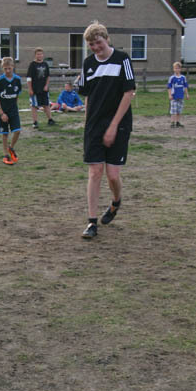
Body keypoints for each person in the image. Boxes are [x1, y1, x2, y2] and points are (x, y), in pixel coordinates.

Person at [76, 21, 136, 239]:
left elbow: (129, 93)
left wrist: (113, 126)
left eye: (98, 42)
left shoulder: (122, 60)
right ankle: (92, 222)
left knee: (112, 175)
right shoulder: (88, 64)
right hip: (94, 125)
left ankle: (116, 201)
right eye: (91, 45)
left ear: (107, 39)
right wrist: (88, 124)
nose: (95, 47)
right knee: (95, 172)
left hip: (119, 125)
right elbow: (87, 95)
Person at [0, 57, 22, 165]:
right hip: (3, 111)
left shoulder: (17, 79)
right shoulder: (0, 80)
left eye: (9, 68)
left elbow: (17, 95)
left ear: (13, 67)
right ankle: (6, 155)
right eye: (5, 69)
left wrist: (15, 107)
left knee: (17, 131)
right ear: (2, 69)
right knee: (5, 133)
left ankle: (11, 148)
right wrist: (1, 113)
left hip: (13, 109)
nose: (8, 70)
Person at [27, 47, 54, 128]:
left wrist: (46, 85)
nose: (39, 55)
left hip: (44, 89)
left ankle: (50, 119)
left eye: (41, 54)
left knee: (46, 104)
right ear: (35, 55)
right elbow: (29, 78)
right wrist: (30, 89)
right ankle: (35, 122)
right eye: (38, 54)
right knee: (34, 105)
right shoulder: (32, 65)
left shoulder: (45, 64)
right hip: (35, 89)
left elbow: (48, 76)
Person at [167, 61, 190, 128]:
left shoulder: (183, 77)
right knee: (173, 110)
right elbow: (169, 87)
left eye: (178, 68)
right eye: (175, 68)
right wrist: (170, 95)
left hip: (181, 96)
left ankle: (177, 122)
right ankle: (172, 122)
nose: (177, 69)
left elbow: (185, 86)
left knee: (179, 111)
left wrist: (187, 94)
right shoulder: (172, 78)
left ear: (180, 69)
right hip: (174, 97)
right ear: (173, 69)